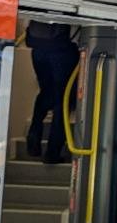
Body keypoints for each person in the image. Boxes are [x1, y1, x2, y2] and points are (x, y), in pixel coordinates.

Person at [25, 21, 78, 163]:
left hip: (37, 49)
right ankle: (52, 152)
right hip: (61, 49)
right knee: (63, 100)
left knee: (46, 93)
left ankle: (33, 140)